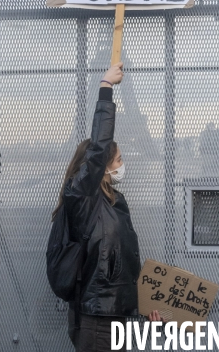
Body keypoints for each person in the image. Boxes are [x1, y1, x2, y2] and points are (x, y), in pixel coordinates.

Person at [51, 62, 162, 352]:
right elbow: (99, 148)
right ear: (100, 168)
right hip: (95, 319)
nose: (124, 165)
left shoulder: (116, 202)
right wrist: (105, 88)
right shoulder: (81, 198)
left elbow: (124, 265)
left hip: (117, 317)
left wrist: (144, 304)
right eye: (119, 160)